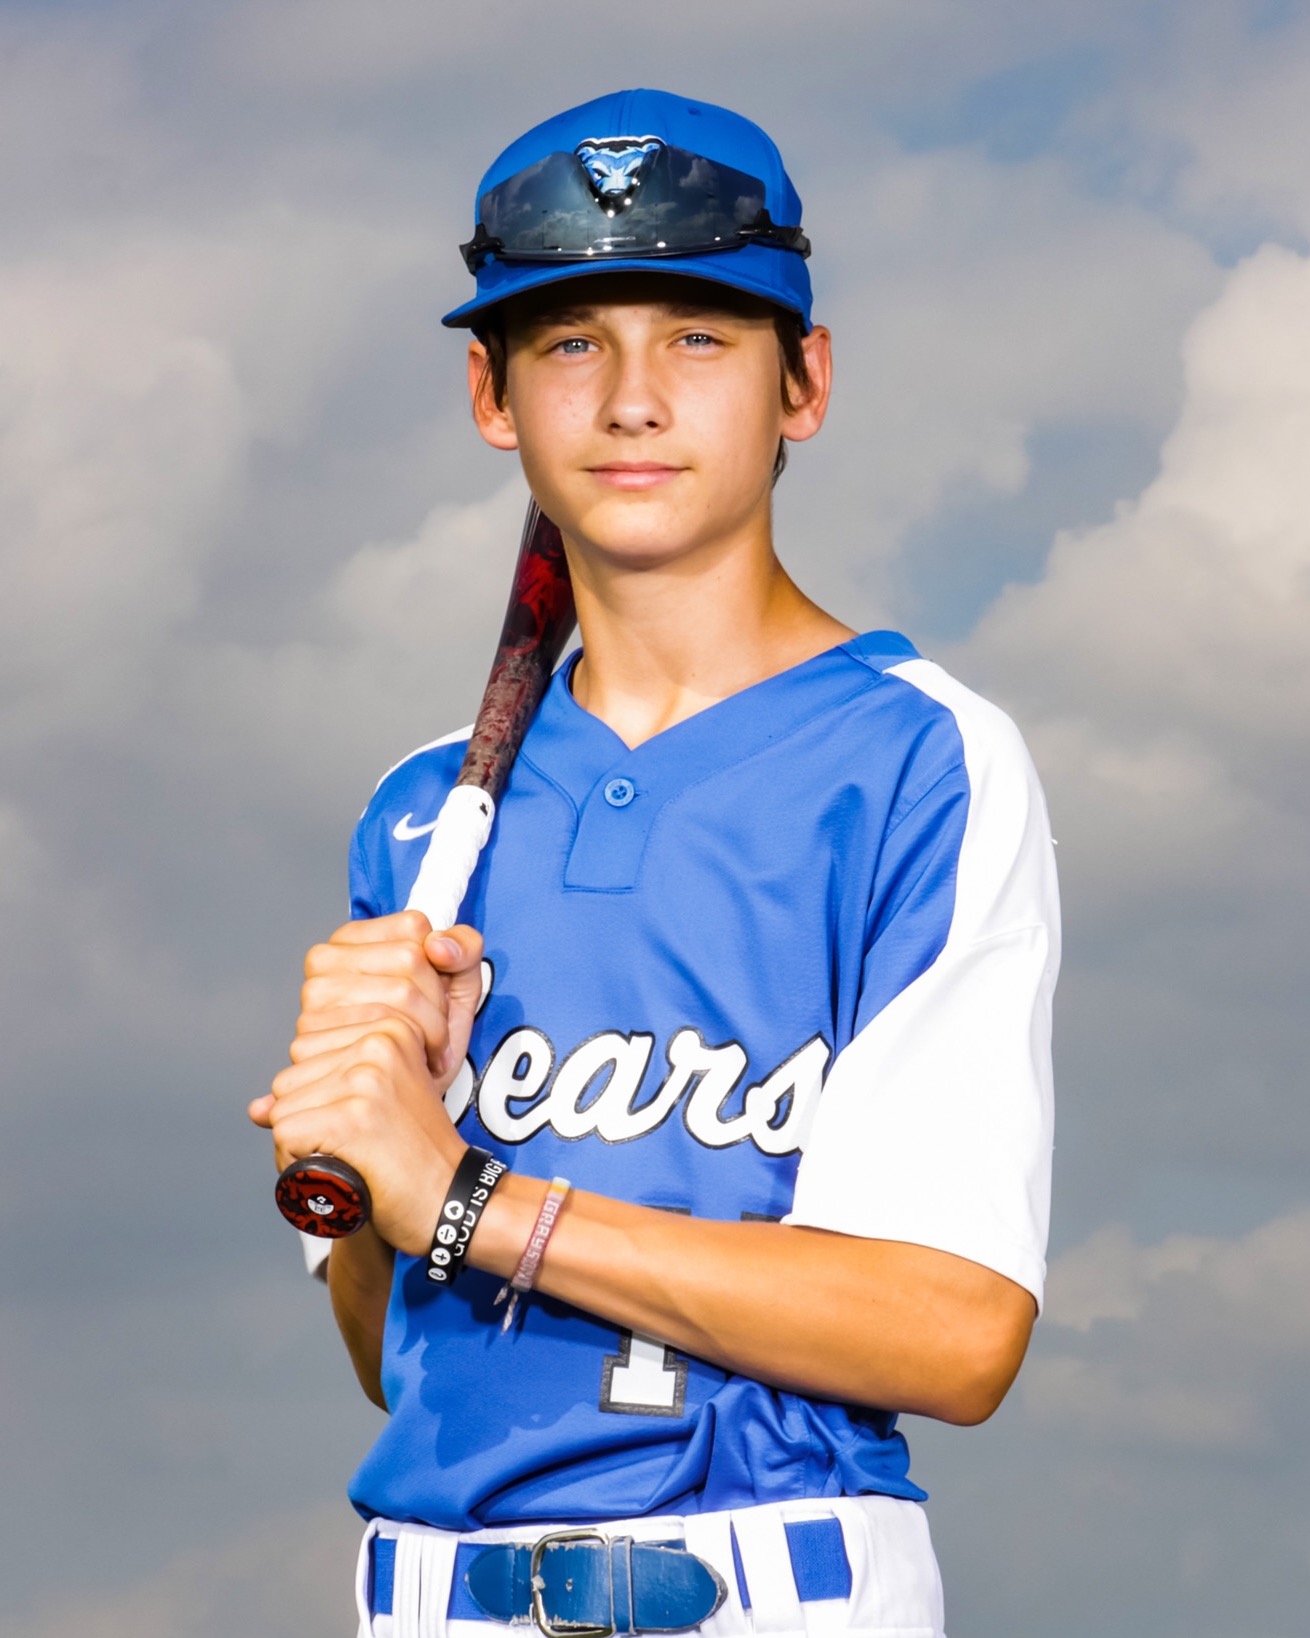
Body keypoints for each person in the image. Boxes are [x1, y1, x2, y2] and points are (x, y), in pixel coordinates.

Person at [249, 87, 1058, 1638]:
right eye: (569, 342)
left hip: (764, 1581)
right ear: (490, 395)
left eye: (697, 335)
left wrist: (472, 1195)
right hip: (427, 1593)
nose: (630, 400)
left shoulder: (917, 760)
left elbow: (953, 1332)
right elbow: (392, 1352)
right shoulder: (420, 815)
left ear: (802, 382)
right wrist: (360, 1137)